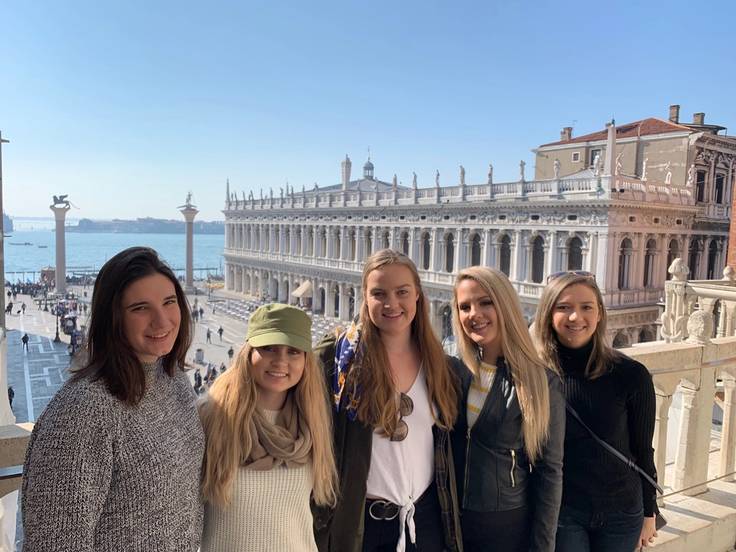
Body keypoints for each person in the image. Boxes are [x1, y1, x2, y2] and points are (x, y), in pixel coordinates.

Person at [21, 246, 204, 551]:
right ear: (113, 317)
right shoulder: (82, 411)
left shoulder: (175, 380)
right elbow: (55, 542)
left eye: (169, 302)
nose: (163, 321)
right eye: (140, 308)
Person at [313, 249, 463, 552]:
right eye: (379, 293)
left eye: (402, 292)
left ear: (417, 296)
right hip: (363, 526)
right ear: (365, 297)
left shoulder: (442, 367)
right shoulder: (338, 359)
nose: (391, 303)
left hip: (426, 520)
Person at [533, 272, 658, 552]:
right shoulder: (536, 376)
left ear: (599, 313)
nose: (576, 317)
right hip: (564, 512)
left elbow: (642, 450)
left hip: (622, 512)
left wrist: (650, 512)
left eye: (586, 307)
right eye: (563, 307)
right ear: (548, 315)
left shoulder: (631, 374)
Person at [199, 303, 337, 551]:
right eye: (268, 348)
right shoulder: (212, 417)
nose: (280, 361)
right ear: (248, 353)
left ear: (306, 360)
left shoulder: (313, 424)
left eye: (293, 351)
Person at [450, 267, 565, 552]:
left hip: (504, 524)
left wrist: (543, 547)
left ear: (505, 305)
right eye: (464, 307)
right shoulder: (455, 371)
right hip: (449, 519)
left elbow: (549, 473)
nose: (473, 314)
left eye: (485, 302)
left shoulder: (540, 382)